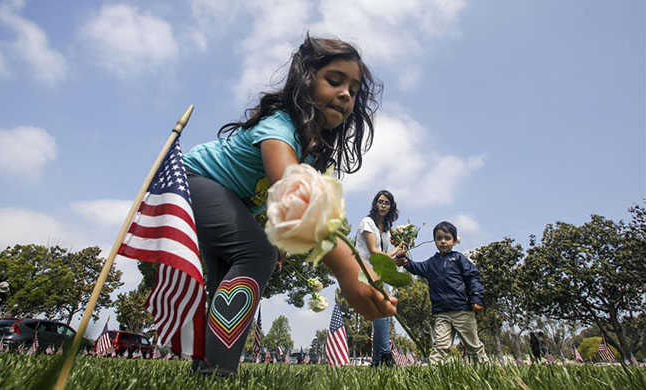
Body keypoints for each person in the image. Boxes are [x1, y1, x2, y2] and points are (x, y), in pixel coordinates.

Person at [183, 34, 394, 376]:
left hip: (231, 200)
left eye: (353, 91)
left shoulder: (312, 152)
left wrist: (277, 242)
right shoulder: (279, 126)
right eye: (334, 81)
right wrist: (347, 269)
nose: (345, 94)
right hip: (194, 179)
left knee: (232, 274)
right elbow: (290, 195)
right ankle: (218, 371)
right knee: (255, 255)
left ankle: (209, 371)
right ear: (305, 81)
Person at [396, 221, 489, 364]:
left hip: (462, 310)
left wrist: (476, 298)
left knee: (473, 345)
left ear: (454, 240)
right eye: (439, 238)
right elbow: (417, 268)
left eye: (447, 238)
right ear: (434, 241)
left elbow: (473, 277)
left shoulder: (458, 259)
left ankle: (485, 368)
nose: (443, 242)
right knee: (440, 346)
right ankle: (434, 374)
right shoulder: (431, 263)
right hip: (441, 313)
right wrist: (405, 261)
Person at [354, 190, 405, 366]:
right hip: (366, 272)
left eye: (387, 203)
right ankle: (385, 353)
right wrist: (396, 250)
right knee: (383, 311)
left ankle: (377, 362)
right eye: (380, 202)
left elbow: (385, 255)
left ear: (391, 207)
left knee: (382, 315)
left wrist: (397, 256)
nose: (383, 205)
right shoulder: (367, 222)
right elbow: (375, 252)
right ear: (375, 203)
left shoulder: (386, 230)